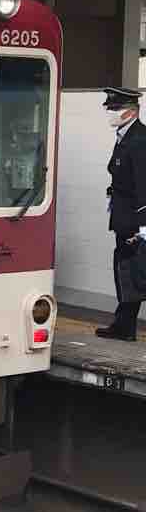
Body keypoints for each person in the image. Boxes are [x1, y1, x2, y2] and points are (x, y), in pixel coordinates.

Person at [97, 87, 146, 340]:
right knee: (125, 269)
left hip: (133, 222)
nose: (111, 113)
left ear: (131, 112)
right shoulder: (125, 136)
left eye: (115, 109)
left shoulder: (139, 140)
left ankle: (124, 328)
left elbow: (144, 187)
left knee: (129, 270)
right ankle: (123, 324)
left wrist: (142, 229)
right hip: (123, 217)